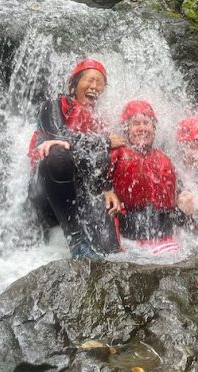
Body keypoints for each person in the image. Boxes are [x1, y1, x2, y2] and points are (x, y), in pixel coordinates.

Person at [28, 59, 125, 259]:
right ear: (74, 85)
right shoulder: (55, 105)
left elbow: (96, 163)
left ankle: (91, 244)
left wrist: (106, 188)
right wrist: (104, 142)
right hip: (48, 188)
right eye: (90, 80)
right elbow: (59, 134)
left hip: (80, 193)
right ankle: (76, 240)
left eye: (100, 84)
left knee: (112, 254)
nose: (95, 87)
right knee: (57, 152)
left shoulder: (98, 122)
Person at [109, 100, 180, 254]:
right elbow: (95, 183)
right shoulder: (117, 154)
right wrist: (107, 192)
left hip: (163, 236)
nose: (142, 128)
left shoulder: (164, 159)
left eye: (147, 123)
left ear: (154, 129)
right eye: (136, 123)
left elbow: (175, 199)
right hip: (128, 236)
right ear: (126, 129)